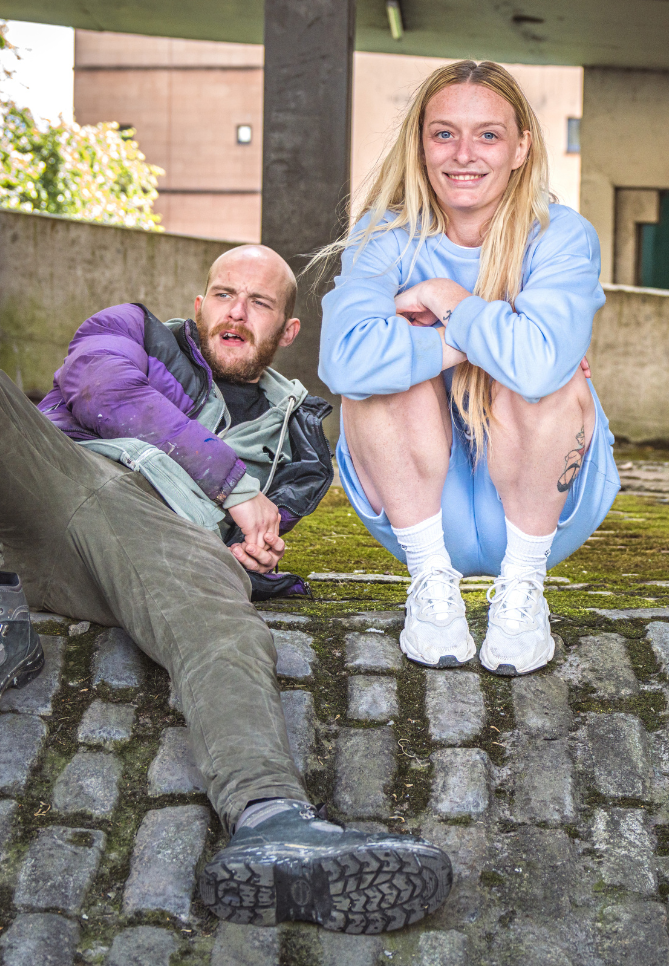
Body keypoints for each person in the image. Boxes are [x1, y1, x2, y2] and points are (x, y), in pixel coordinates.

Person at [0, 244, 452, 933]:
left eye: (259, 302)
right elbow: (103, 393)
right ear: (200, 305)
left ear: (287, 332)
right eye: (223, 294)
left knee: (223, 618)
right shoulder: (128, 329)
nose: (236, 312)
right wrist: (232, 484)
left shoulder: (299, 447)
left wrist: (248, 550)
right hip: (63, 478)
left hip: (159, 543)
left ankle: (273, 821)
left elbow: (254, 536)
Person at [318, 60, 620, 677]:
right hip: (421, 505)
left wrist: (445, 303)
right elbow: (343, 361)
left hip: (542, 509)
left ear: (520, 148)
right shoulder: (384, 236)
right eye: (443, 133)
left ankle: (522, 594)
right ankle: (432, 587)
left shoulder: (561, 236)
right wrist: (485, 334)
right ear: (420, 143)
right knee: (375, 384)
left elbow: (537, 370)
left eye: (487, 134)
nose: (463, 154)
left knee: (548, 378)